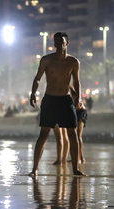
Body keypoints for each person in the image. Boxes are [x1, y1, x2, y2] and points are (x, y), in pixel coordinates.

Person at [29, 32, 85, 177]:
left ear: (67, 43)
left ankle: (75, 168)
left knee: (72, 134)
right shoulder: (47, 60)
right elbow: (37, 78)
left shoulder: (73, 62)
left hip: (65, 101)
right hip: (50, 100)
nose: (59, 44)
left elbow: (77, 82)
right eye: (57, 42)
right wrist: (33, 93)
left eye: (62, 42)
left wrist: (78, 98)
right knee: (43, 134)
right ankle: (35, 169)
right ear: (54, 44)